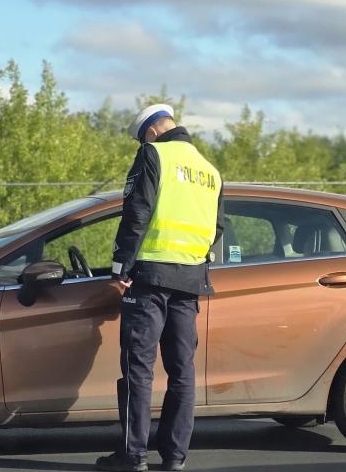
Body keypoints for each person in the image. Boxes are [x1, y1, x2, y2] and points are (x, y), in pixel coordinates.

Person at [95, 104, 223, 472]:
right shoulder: (209, 171)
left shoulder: (154, 154)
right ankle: (175, 457)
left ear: (150, 132)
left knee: (139, 369)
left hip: (148, 279)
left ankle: (133, 456)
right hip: (190, 281)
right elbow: (217, 229)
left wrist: (120, 267)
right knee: (182, 371)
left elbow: (137, 213)